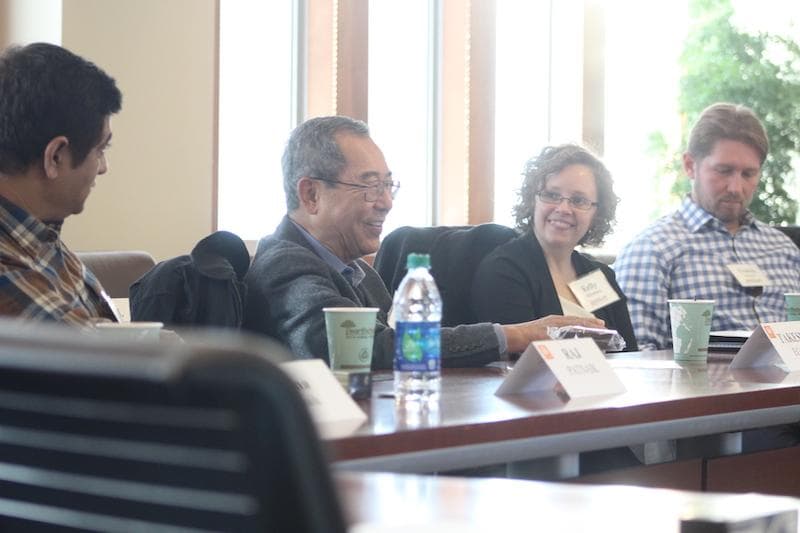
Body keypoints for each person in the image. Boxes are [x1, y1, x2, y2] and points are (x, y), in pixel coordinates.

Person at [244, 116, 603, 369]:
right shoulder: (286, 263)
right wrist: (513, 335)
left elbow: (398, 346)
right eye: (370, 186)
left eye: (388, 185)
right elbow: (370, 348)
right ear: (311, 194)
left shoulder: (358, 271)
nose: (386, 202)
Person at [615, 103, 800, 350]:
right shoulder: (652, 249)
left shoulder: (783, 249)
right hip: (705, 386)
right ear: (690, 166)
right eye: (724, 171)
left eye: (748, 174)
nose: (736, 187)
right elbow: (636, 357)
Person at [471, 144, 638, 351]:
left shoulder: (601, 275)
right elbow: (515, 363)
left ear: (597, 213)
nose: (563, 209)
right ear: (532, 200)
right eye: (551, 195)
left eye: (578, 200)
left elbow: (629, 355)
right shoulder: (502, 270)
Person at [0, 43, 122, 324]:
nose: (103, 168)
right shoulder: (7, 271)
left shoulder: (39, 236)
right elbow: (100, 360)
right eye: (100, 150)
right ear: (55, 157)